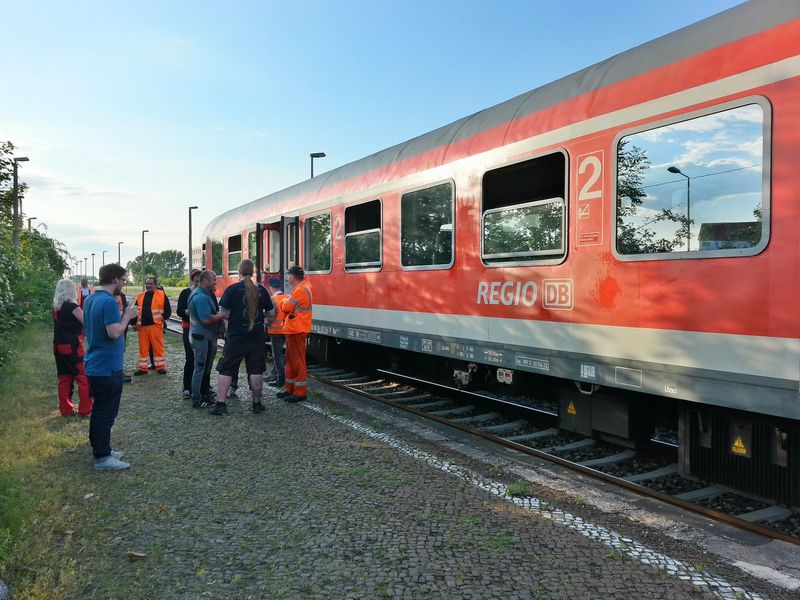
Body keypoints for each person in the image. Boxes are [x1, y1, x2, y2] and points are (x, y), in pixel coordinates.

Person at [83, 263, 139, 470]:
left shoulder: (90, 299)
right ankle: (103, 458)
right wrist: (127, 315)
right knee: (106, 412)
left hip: (95, 364)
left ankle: (100, 447)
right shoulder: (108, 302)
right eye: (123, 280)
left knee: (99, 410)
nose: (123, 284)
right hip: (107, 367)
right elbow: (114, 333)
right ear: (115, 279)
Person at [210, 259, 273, 415]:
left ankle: (221, 405)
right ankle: (257, 404)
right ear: (253, 272)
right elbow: (272, 313)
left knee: (226, 369)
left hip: (236, 336)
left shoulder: (232, 290)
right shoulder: (262, 290)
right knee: (256, 369)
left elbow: (223, 313)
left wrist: (230, 319)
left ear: (239, 271)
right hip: (257, 337)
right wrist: (260, 316)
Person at [52, 278, 92, 417]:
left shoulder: (56, 307)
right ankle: (85, 409)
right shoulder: (73, 307)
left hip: (58, 347)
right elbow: (86, 323)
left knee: (64, 379)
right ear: (71, 290)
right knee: (83, 378)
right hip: (72, 347)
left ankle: (66, 409)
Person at [188, 270, 225, 408]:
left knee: (204, 368)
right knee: (201, 368)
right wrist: (222, 316)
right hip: (202, 338)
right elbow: (206, 319)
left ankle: (203, 394)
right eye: (214, 280)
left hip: (204, 337)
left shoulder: (203, 294)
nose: (216, 282)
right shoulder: (201, 297)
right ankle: (198, 399)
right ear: (205, 281)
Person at [276, 266, 312, 403]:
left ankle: (300, 392)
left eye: (289, 276)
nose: (288, 278)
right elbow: (287, 305)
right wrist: (285, 302)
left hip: (297, 330)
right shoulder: (300, 289)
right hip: (294, 330)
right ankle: (290, 389)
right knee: (291, 361)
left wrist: (284, 301)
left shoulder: (300, 291)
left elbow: (285, 306)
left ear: (292, 277)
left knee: (297, 362)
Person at [133, 276, 171, 375]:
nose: (148, 285)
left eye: (150, 283)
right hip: (142, 327)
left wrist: (162, 319)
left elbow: (168, 310)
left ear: (155, 284)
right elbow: (135, 311)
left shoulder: (162, 295)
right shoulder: (140, 296)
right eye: (147, 283)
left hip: (156, 326)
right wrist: (133, 323)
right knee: (143, 349)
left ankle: (160, 367)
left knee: (158, 347)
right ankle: (143, 368)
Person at [177, 269, 202, 398]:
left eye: (200, 281)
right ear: (193, 281)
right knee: (190, 359)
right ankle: (187, 387)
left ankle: (203, 387)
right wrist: (191, 311)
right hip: (189, 329)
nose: (198, 284)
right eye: (196, 281)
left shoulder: (206, 293)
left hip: (203, 330)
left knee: (202, 360)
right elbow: (179, 311)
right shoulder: (186, 293)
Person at [265, 277, 288, 389]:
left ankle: (280, 379)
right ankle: (274, 374)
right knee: (280, 355)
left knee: (277, 356)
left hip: (275, 331)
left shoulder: (272, 300)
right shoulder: (287, 297)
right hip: (285, 330)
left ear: (271, 287)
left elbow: (271, 316)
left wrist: (265, 323)